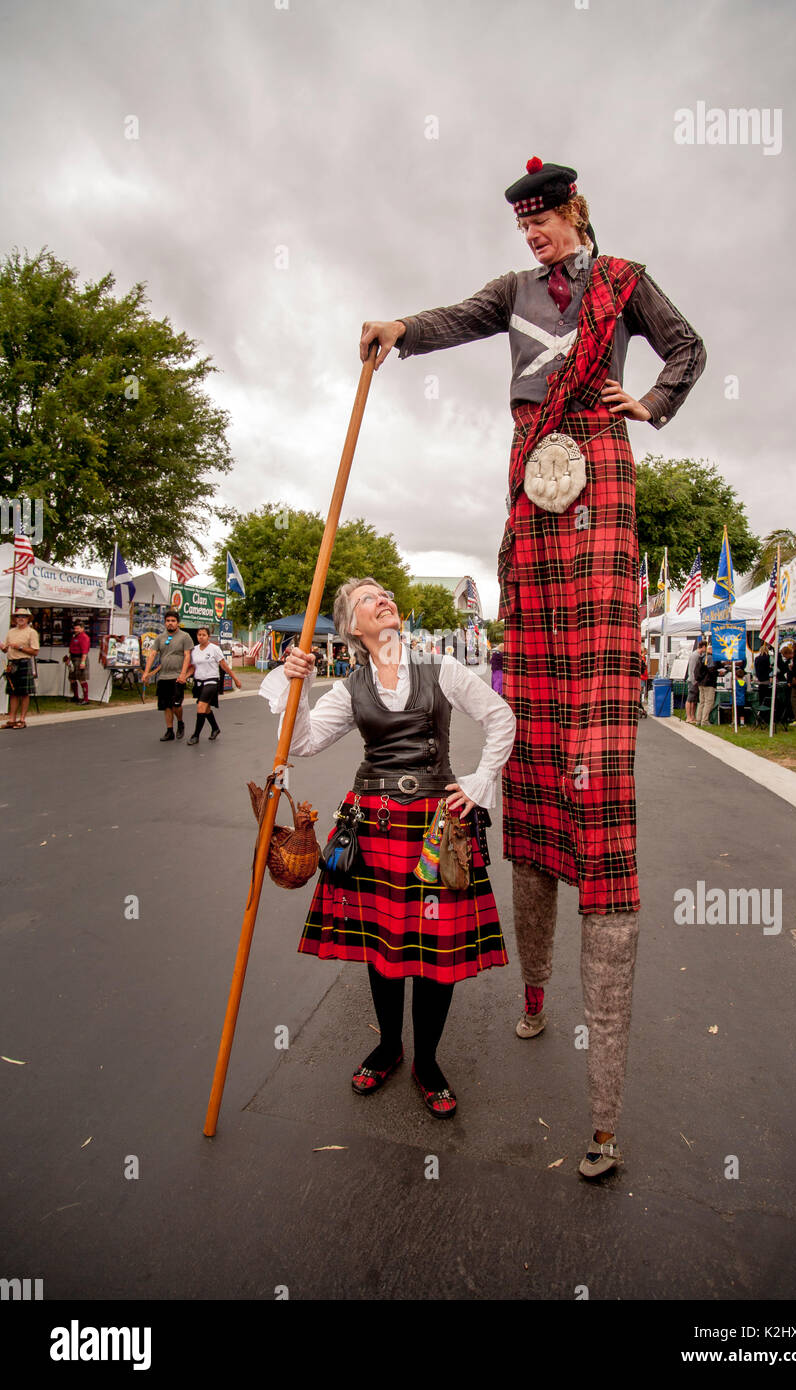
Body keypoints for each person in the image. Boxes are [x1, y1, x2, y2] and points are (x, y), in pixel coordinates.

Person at [360, 156, 706, 1176]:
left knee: (592, 726)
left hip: (596, 467)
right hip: (526, 485)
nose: (533, 239)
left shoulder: (624, 281)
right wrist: (394, 331)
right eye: (522, 227)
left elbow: (686, 346)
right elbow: (455, 319)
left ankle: (601, 1101)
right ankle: (534, 990)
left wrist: (651, 403)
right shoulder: (511, 296)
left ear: (571, 210)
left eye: (543, 221)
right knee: (532, 711)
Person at [259, 577, 516, 1119]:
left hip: (435, 823)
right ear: (353, 626)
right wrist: (293, 685)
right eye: (367, 597)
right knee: (384, 944)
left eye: (383, 593)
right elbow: (301, 743)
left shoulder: (440, 669)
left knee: (436, 951)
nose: (382, 598)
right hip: (372, 824)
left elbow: (501, 718)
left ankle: (426, 1060)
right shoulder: (351, 686)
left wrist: (477, 782)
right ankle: (388, 1046)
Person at [140, 610, 193, 742]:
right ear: (165, 623)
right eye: (168, 621)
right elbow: (152, 655)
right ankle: (169, 731)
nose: (170, 623)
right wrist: (146, 672)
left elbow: (187, 656)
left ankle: (180, 722)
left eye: (173, 621)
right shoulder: (160, 638)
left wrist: (183, 674)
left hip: (177, 676)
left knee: (176, 704)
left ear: (178, 623)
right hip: (163, 676)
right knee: (166, 706)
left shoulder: (185, 637)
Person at [187, 625, 241, 744]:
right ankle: (215, 728)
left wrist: (235, 679)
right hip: (199, 682)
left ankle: (195, 735)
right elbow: (193, 668)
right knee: (205, 709)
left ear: (208, 637)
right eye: (199, 635)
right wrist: (183, 677)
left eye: (204, 635)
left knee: (201, 706)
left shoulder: (214, 649)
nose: (201, 637)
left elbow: (224, 665)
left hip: (211, 681)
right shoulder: (194, 650)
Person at [1, 606, 40, 729]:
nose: (20, 618)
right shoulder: (11, 632)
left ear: (28, 619)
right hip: (12, 664)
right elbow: (6, 649)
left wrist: (20, 647)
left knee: (24, 693)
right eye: (18, 616)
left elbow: (35, 651)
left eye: (23, 616)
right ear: (15, 619)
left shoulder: (31, 632)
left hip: (24, 662)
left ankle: (22, 720)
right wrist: (3, 648)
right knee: (13, 692)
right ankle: (12, 719)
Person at [65, 619, 91, 705]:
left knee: (81, 679)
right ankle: (75, 696)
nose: (76, 630)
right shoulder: (74, 636)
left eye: (78, 628)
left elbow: (85, 651)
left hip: (80, 659)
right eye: (75, 628)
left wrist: (83, 662)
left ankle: (86, 699)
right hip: (73, 658)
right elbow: (72, 649)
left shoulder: (84, 637)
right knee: (72, 679)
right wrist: (69, 659)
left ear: (82, 628)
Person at [695, 646, 718, 727]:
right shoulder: (710, 658)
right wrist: (718, 673)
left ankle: (698, 720)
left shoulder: (701, 657)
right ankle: (704, 720)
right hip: (708, 683)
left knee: (701, 702)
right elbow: (711, 670)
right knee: (709, 702)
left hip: (700, 682)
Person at [685, 640, 706, 724]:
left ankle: (693, 716)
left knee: (694, 700)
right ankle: (688, 717)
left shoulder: (700, 655)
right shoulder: (695, 655)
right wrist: (694, 680)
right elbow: (692, 669)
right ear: (703, 647)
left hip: (696, 681)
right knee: (690, 699)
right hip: (692, 680)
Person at [754, 642, 772, 707]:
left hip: (760, 681)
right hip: (767, 680)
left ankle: (761, 710)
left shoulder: (756, 659)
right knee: (767, 699)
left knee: (761, 699)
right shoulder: (768, 658)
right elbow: (770, 669)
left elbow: (755, 670)